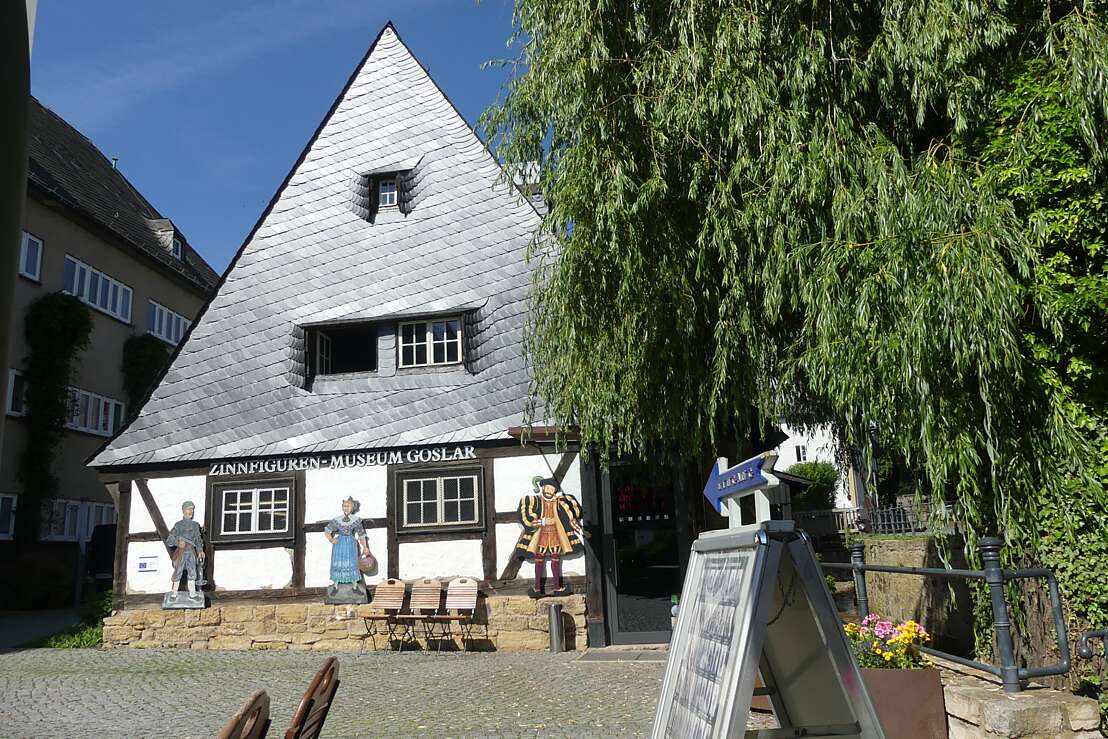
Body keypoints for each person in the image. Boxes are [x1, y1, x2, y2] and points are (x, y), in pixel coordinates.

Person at [516, 477, 583, 597]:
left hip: (555, 534)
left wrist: (581, 531)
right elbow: (529, 519)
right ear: (542, 488)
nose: (549, 490)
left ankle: (557, 587)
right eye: (547, 488)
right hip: (540, 534)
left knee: (556, 558)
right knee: (539, 558)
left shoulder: (559, 502)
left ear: (555, 491)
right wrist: (543, 521)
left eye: (552, 489)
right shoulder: (535, 501)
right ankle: (537, 588)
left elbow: (570, 518)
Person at [324, 497, 369, 594]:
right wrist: (331, 539)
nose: (346, 508)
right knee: (338, 563)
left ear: (352, 508)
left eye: (348, 506)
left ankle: (355, 587)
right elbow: (327, 531)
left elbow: (361, 534)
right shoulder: (337, 520)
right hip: (339, 544)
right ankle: (335, 587)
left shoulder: (356, 520)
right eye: (344, 506)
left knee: (352, 563)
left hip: (350, 544)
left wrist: (365, 547)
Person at [166, 500, 205, 600]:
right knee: (178, 572)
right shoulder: (178, 525)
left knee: (192, 573)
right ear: (183, 511)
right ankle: (174, 594)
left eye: (192, 509)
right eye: (188, 509)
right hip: (181, 552)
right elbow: (169, 540)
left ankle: (192, 594)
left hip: (191, 552)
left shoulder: (195, 525)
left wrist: (200, 551)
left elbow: (198, 539)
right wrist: (177, 543)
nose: (191, 511)